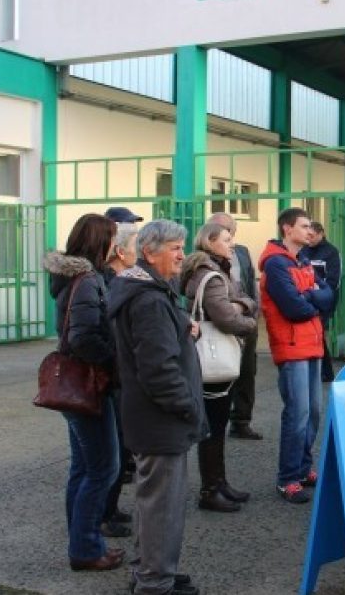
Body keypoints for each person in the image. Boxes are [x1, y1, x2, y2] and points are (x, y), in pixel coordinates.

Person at [108, 219, 205, 595]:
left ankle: (150, 570)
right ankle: (154, 582)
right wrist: (187, 406)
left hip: (153, 419)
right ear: (149, 253)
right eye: (174, 248)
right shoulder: (148, 299)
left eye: (182, 246)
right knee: (162, 508)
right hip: (160, 420)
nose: (182, 254)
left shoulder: (148, 291)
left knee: (153, 504)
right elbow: (158, 368)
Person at [41, 213, 123, 572]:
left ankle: (81, 539)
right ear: (99, 242)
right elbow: (85, 337)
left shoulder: (70, 277)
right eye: (113, 238)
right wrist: (115, 363)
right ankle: (86, 548)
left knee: (83, 466)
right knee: (104, 468)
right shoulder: (88, 280)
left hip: (74, 383)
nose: (117, 246)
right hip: (88, 383)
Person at [259, 208, 334, 504]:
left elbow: (329, 295)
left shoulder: (301, 260)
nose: (310, 231)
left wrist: (311, 298)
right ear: (287, 229)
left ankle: (302, 469)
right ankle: (288, 477)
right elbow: (293, 307)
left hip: (312, 343)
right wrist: (314, 300)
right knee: (298, 412)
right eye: (304, 226)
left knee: (313, 411)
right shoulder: (276, 264)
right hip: (291, 347)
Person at [181, 222, 258, 513]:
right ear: (210, 242)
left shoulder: (214, 270)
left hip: (212, 354)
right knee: (214, 425)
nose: (232, 243)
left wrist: (240, 305)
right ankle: (211, 489)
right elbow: (227, 317)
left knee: (218, 423)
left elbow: (243, 299)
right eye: (226, 239)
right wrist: (248, 318)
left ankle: (219, 483)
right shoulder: (211, 275)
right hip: (213, 358)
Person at [98, 222, 140, 540]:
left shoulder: (120, 280)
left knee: (121, 449)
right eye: (137, 247)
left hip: (121, 376)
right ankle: (103, 514)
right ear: (120, 251)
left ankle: (110, 509)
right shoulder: (109, 283)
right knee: (110, 452)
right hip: (113, 377)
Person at [208, 212, 263, 440]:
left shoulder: (242, 252)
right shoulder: (203, 260)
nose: (227, 238)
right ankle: (215, 423)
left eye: (228, 232)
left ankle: (241, 420)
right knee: (221, 371)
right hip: (222, 323)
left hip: (246, 321)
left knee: (247, 371)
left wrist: (254, 311)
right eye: (221, 232)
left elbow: (251, 281)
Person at [301, 221, 342, 383]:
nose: (308, 239)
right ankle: (323, 371)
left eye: (311, 236)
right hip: (307, 299)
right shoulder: (303, 251)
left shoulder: (331, 252)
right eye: (307, 235)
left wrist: (320, 296)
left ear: (321, 234)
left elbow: (334, 281)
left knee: (317, 333)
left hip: (324, 301)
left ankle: (325, 371)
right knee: (315, 334)